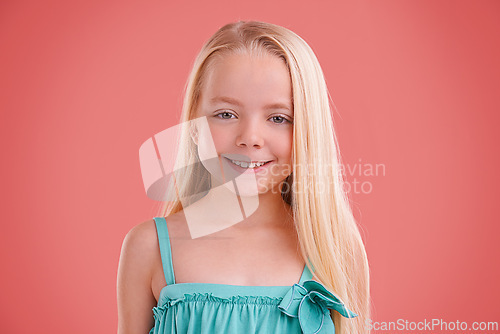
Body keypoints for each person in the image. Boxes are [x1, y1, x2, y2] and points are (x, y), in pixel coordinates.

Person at [117, 20, 370, 334]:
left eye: (278, 118)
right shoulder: (148, 247)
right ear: (194, 123)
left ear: (307, 130)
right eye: (226, 114)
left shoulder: (336, 249)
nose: (250, 138)